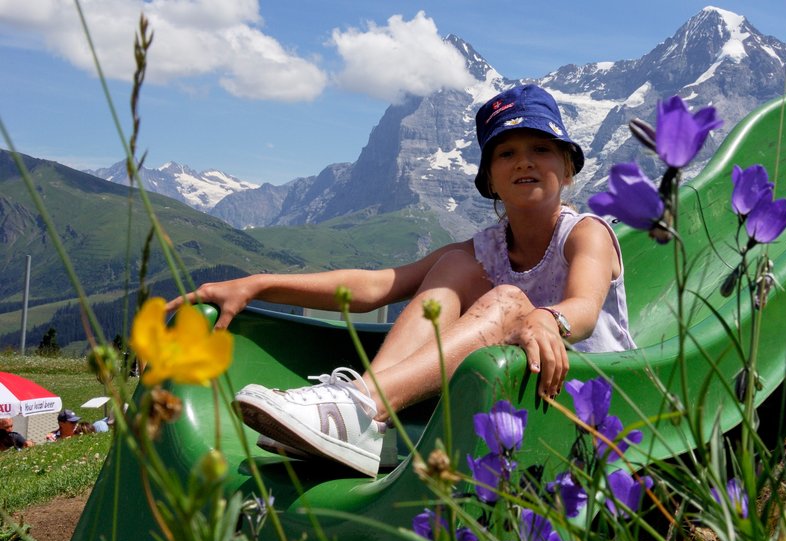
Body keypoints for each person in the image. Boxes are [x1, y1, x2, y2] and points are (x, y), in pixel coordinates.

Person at [168, 84, 636, 476]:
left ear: (568, 168)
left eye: (541, 149)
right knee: (452, 268)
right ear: (490, 180)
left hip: (589, 398)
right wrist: (258, 284)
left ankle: (360, 407)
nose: (524, 162)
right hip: (510, 401)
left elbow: (585, 308)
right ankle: (366, 418)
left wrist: (546, 319)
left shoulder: (586, 233)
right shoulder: (484, 249)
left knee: (509, 300)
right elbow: (376, 287)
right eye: (506, 152)